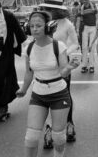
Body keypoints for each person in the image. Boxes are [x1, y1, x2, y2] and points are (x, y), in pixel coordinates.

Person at [16, 11, 80, 157]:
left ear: (48, 27)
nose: (35, 29)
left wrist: (69, 67)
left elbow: (63, 73)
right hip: (38, 95)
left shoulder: (59, 46)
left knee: (58, 138)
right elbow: (29, 72)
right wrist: (23, 89)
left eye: (38, 25)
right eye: (31, 26)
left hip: (59, 94)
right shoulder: (29, 48)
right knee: (31, 138)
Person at [38, 0, 79, 145]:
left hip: (62, 64)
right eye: (47, 7)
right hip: (44, 65)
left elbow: (75, 43)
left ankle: (69, 124)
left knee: (65, 94)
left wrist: (62, 53)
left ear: (58, 9)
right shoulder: (40, 21)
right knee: (46, 96)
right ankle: (49, 129)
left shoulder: (67, 24)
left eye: (51, 8)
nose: (48, 11)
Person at [76, 0, 98, 74]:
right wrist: (77, 30)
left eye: (85, 0)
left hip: (93, 28)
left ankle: (91, 66)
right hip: (85, 28)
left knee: (91, 47)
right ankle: (84, 65)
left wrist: (97, 28)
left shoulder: (93, 5)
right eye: (83, 0)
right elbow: (78, 19)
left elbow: (96, 17)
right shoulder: (80, 7)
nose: (84, 1)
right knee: (84, 47)